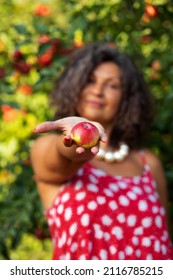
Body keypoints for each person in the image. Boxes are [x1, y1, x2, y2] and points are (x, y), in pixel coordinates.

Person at [30, 42, 173, 260]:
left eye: (112, 85)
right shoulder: (45, 147)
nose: (98, 91)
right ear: (74, 86)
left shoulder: (148, 163)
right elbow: (63, 154)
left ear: (127, 98)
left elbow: (164, 237)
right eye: (90, 81)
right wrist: (79, 137)